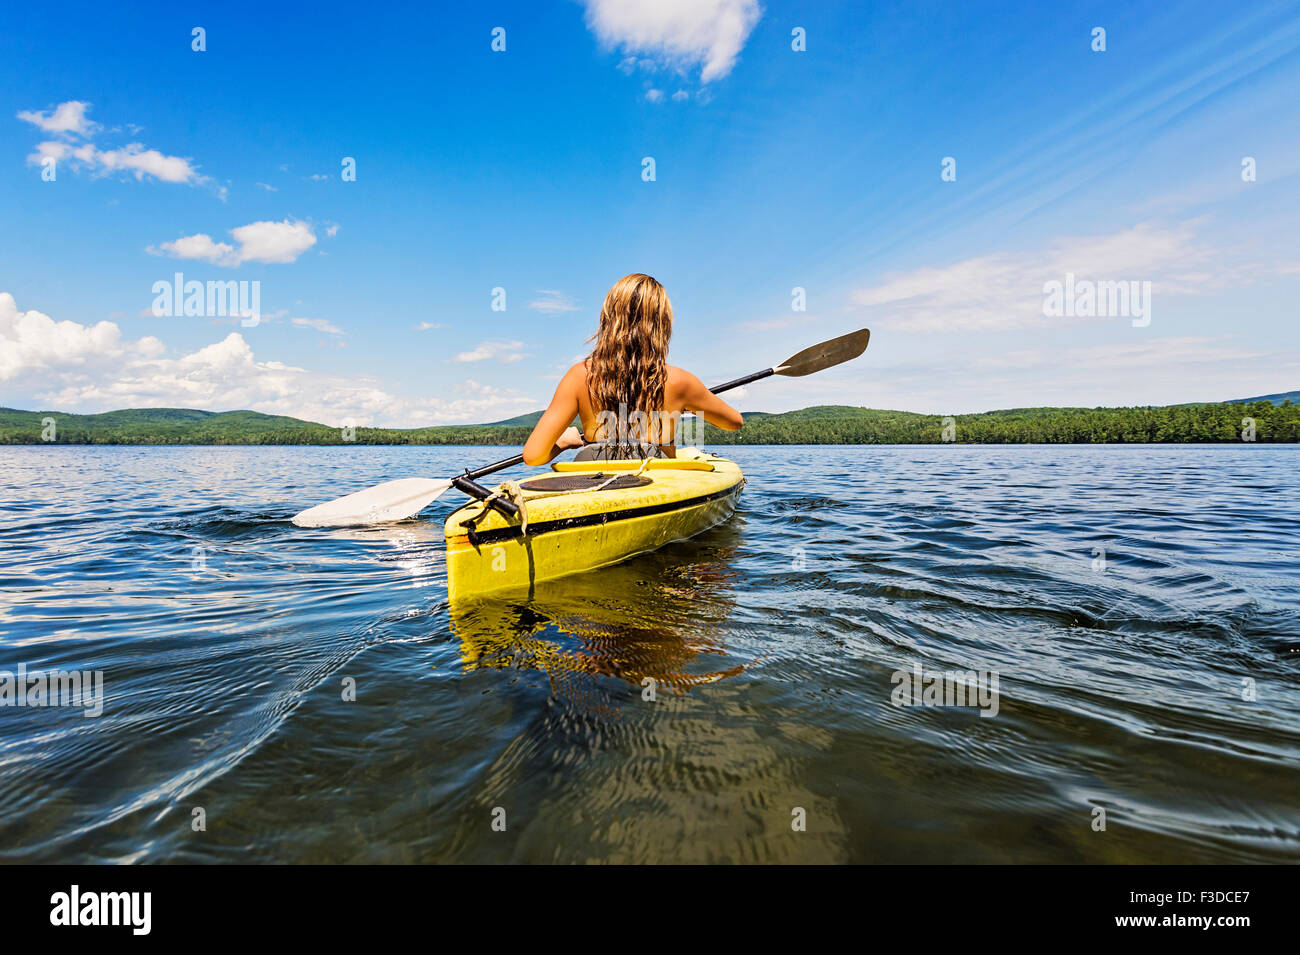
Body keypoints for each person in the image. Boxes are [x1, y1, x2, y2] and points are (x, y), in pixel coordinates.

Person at [522, 273, 744, 466]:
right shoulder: (679, 381)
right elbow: (734, 422)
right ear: (662, 325)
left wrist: (562, 443)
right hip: (657, 490)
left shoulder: (579, 376)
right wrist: (689, 404)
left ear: (608, 318)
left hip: (595, 486)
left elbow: (533, 456)